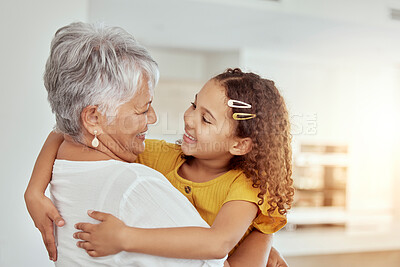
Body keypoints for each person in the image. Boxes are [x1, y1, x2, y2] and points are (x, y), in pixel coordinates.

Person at [25, 23, 291, 266]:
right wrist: (34, 189)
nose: (188, 119)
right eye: (194, 105)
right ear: (94, 117)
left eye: (206, 119)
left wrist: (125, 237)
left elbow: (218, 244)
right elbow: (69, 128)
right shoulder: (163, 157)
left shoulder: (244, 185)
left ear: (239, 145)